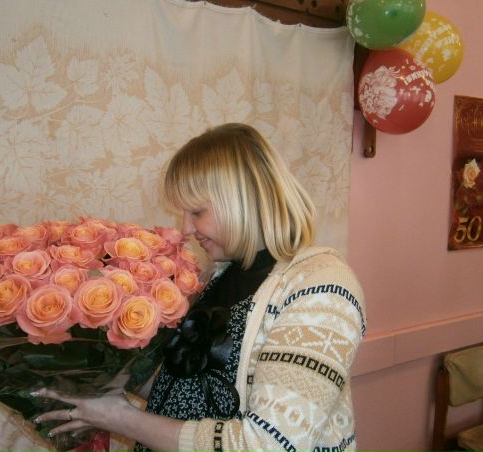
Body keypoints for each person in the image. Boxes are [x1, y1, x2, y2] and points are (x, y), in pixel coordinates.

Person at [34, 123, 366, 452]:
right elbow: (190, 395)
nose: (186, 228)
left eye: (197, 211)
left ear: (245, 199)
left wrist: (120, 418)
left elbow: (270, 445)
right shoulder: (219, 277)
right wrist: (105, 381)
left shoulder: (322, 287)